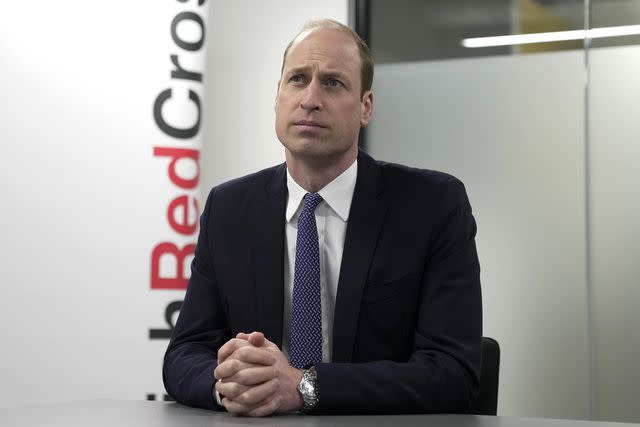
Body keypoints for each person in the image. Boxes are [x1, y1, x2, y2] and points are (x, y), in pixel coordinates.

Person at [163, 19, 482, 416]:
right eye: (297, 79)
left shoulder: (433, 206)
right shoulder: (229, 209)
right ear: (277, 96)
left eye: (332, 83)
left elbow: (453, 373)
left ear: (366, 106)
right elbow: (184, 353)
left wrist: (304, 387)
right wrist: (231, 382)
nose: (310, 98)